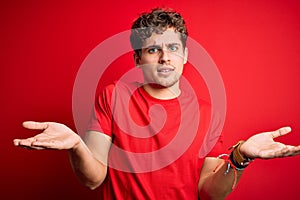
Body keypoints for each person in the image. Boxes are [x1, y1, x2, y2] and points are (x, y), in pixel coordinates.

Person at [13, 8, 300, 199]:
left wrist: (240, 158)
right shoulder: (114, 96)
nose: (165, 57)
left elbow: (208, 193)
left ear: (185, 55)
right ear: (138, 59)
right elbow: (93, 179)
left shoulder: (206, 111)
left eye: (173, 48)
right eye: (153, 49)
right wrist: (77, 146)